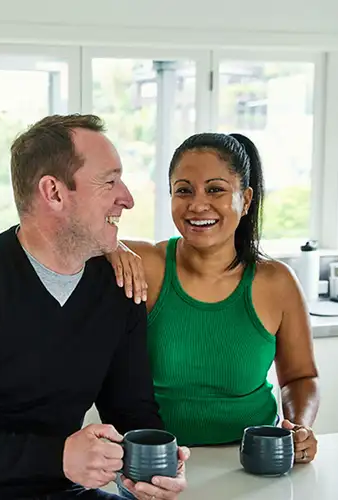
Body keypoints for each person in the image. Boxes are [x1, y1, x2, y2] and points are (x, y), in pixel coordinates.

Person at [0, 114, 190, 500]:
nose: (127, 197)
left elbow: (132, 411)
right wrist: (59, 456)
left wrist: (150, 466)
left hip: (55, 489)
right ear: (54, 192)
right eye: (109, 181)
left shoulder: (119, 288)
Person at [105, 132, 320, 463]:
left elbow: (300, 377)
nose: (197, 204)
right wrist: (111, 246)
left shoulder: (276, 283)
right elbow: (72, 236)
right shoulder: (148, 265)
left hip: (251, 462)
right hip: (159, 465)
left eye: (216, 189)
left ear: (246, 200)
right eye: (183, 190)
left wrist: (300, 427)